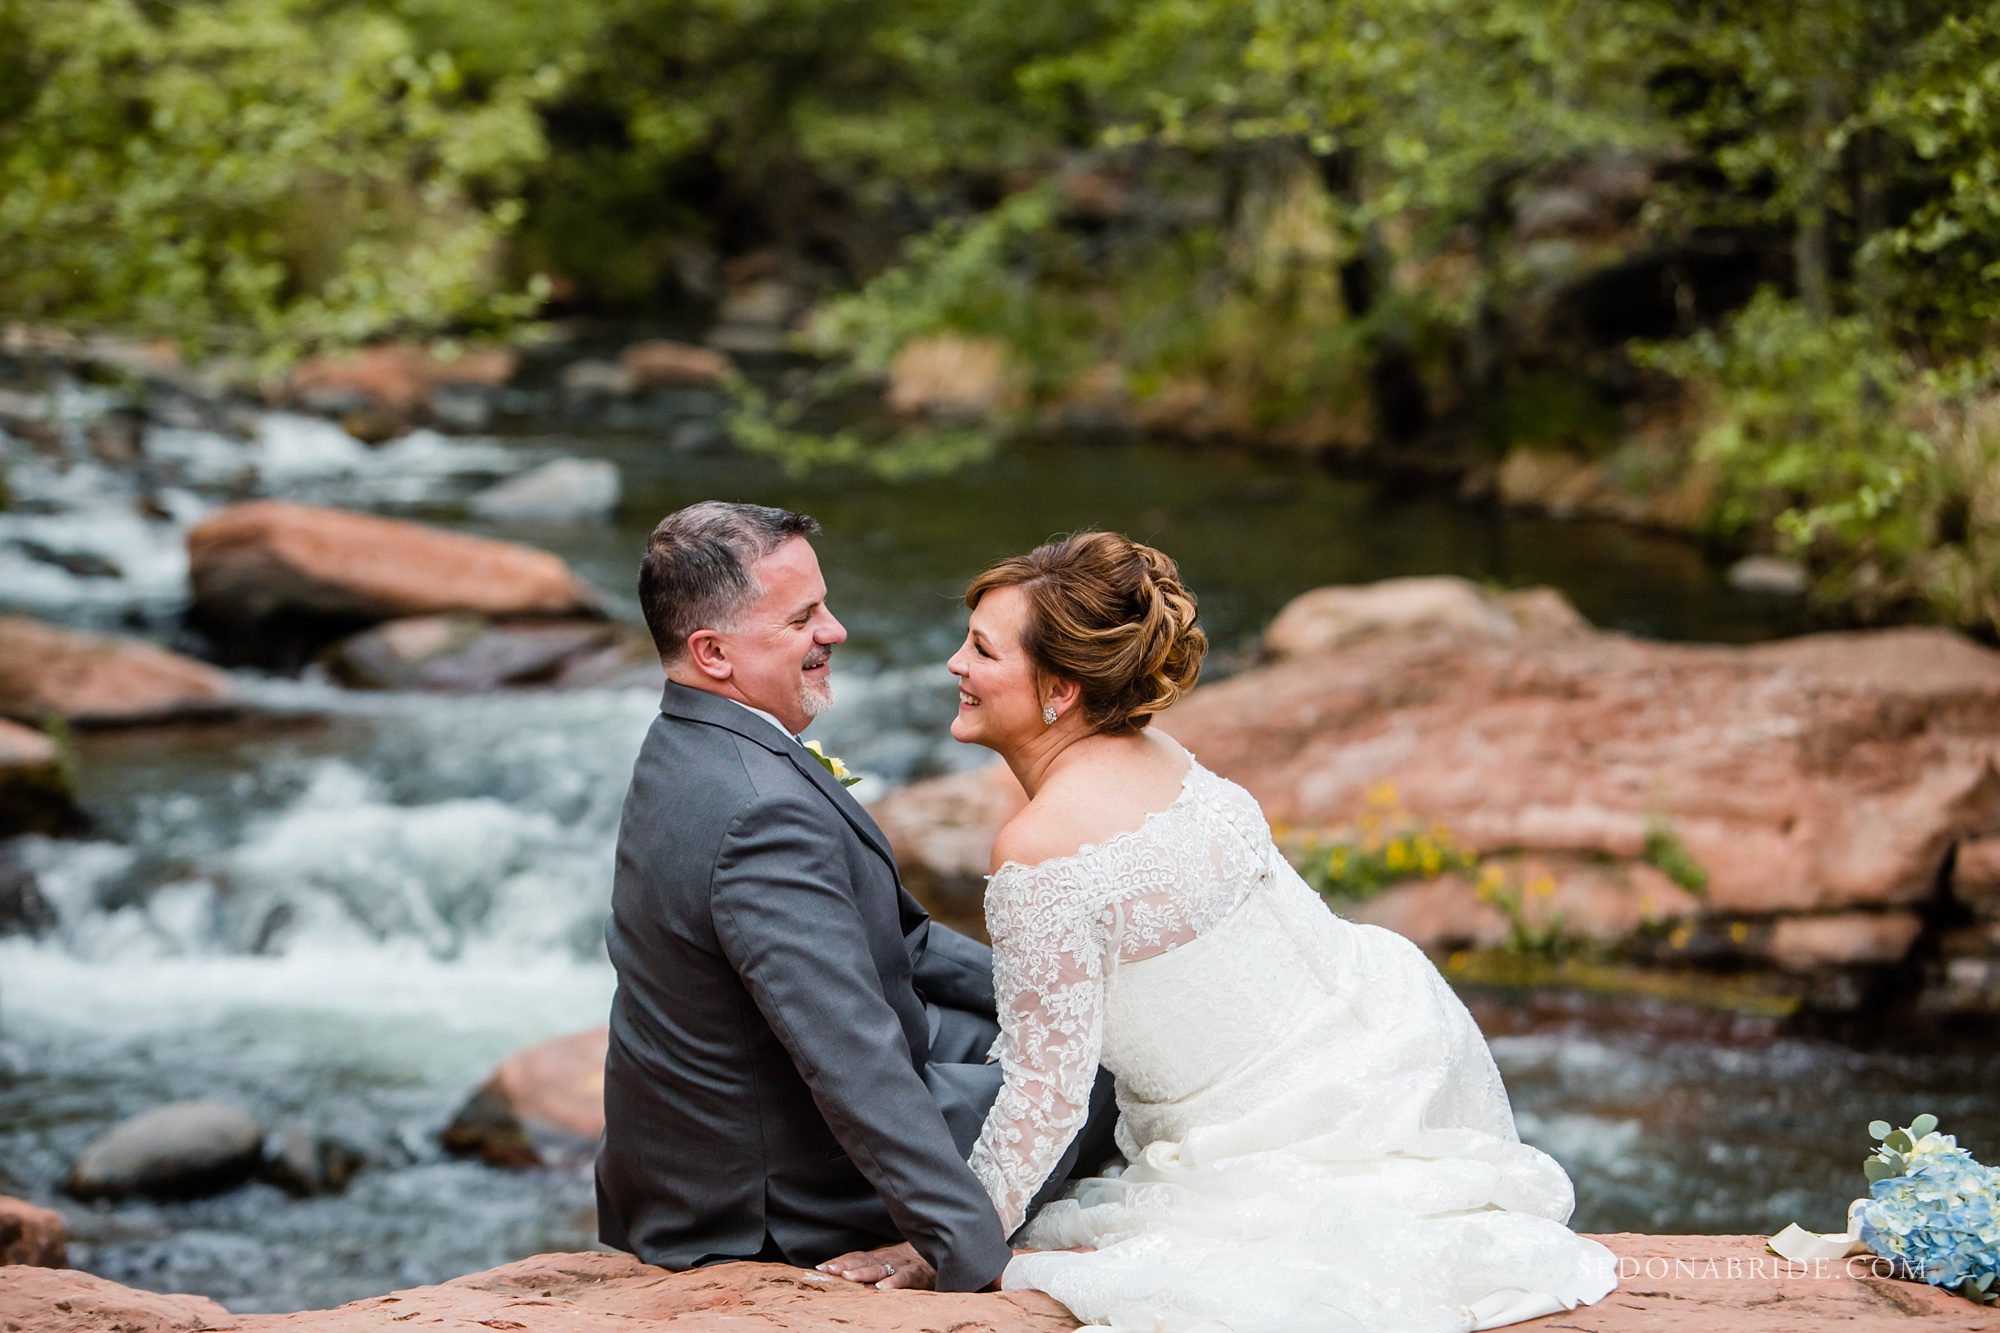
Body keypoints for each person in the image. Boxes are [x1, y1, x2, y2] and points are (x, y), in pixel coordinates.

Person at [835, 530, 1620, 1330]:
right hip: (1380, 1045)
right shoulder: (1163, 753)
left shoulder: (1038, 851)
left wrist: (940, 1245)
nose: (954, 666)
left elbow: (1045, 1095)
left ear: (1059, 690)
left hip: (1256, 1147)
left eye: (981, 650)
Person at [596, 501, 1113, 1293]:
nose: (834, 630)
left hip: (712, 1140)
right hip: (777, 1189)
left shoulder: (689, 740)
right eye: (803, 617)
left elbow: (905, 944)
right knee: (1104, 1076)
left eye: (824, 604)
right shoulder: (756, 809)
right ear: (713, 651)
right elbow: (855, 1066)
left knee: (1073, 1032)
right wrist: (970, 1257)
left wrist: (1067, 994)